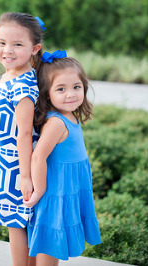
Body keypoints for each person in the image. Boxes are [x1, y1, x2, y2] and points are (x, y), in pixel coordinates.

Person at [0, 12, 44, 266]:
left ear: (34, 49)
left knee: (17, 225)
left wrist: (26, 177)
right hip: (2, 162)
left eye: (18, 44)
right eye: (2, 43)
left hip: (16, 167)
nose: (8, 50)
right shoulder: (10, 75)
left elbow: (25, 133)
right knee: (15, 224)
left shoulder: (23, 87)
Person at [24, 52, 101, 265]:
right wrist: (39, 190)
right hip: (55, 193)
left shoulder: (70, 116)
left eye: (76, 87)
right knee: (50, 246)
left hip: (68, 189)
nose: (71, 94)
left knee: (49, 246)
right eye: (61, 89)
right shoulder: (57, 123)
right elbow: (38, 156)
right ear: (47, 94)